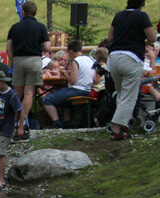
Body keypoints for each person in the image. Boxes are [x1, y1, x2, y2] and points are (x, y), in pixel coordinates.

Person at [107, 0, 156, 140]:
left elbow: (110, 38)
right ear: (142, 3)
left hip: (114, 57)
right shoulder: (142, 16)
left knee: (121, 94)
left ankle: (123, 125)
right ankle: (116, 129)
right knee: (129, 96)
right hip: (132, 58)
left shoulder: (118, 16)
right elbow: (152, 37)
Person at [7, 1, 50, 141]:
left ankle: (12, 124)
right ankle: (22, 126)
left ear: (23, 12)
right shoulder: (41, 27)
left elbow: (8, 48)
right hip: (34, 60)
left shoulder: (15, 27)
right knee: (29, 93)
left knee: (17, 93)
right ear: (35, 12)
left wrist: (13, 60)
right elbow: (48, 47)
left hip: (19, 60)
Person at [43, 40, 97, 128]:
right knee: (62, 100)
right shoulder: (90, 60)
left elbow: (72, 80)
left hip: (76, 90)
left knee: (47, 100)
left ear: (71, 51)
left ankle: (57, 123)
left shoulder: (76, 61)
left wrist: (64, 73)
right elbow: (95, 79)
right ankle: (67, 122)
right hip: (88, 90)